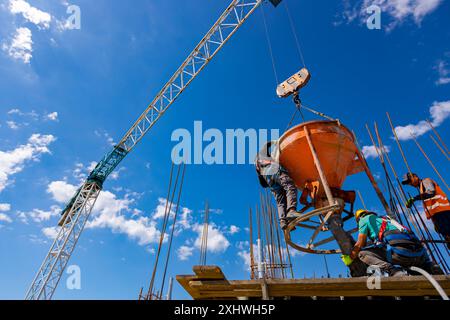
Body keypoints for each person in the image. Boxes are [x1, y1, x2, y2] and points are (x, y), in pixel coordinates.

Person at [341, 210, 441, 276]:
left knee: (362, 254)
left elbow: (360, 244)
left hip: (400, 255)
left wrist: (351, 257)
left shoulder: (364, 220)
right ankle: (430, 267)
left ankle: (393, 271)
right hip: (420, 257)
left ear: (358, 218)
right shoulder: (389, 219)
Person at [255, 141, 298, 230]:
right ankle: (292, 211)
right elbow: (265, 146)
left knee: (281, 201)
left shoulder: (257, 165)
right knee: (289, 186)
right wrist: (274, 142)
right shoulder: (261, 154)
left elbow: (263, 184)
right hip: (273, 169)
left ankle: (283, 221)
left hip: (269, 181)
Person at [402, 173, 450, 249]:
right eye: (408, 183)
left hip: (443, 211)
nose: (410, 184)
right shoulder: (421, 188)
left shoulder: (426, 181)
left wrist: (414, 199)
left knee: (447, 232)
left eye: (410, 181)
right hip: (437, 214)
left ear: (415, 177)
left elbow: (431, 192)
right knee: (445, 234)